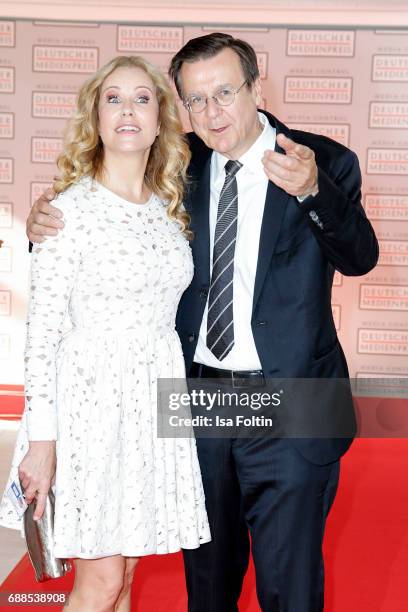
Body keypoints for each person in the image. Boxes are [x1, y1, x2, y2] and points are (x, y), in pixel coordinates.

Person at [25, 33, 379, 612]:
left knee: (291, 588)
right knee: (207, 586)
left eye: (224, 93)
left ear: (256, 87)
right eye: (194, 100)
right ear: (181, 106)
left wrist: (315, 191)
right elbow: (108, 220)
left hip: (295, 396)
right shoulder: (177, 164)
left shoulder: (323, 160)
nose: (211, 112)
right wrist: (43, 224)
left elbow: (361, 256)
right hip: (198, 398)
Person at [0, 55, 210, 612]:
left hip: (151, 407)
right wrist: (42, 442)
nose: (127, 110)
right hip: (89, 410)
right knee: (99, 582)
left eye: (142, 98)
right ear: (94, 116)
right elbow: (42, 337)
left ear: (160, 118)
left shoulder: (170, 214)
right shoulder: (68, 214)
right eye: (112, 98)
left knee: (129, 573)